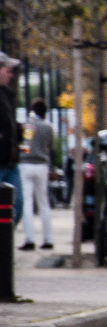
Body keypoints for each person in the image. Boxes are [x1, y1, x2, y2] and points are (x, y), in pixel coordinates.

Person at [19, 98, 54, 250]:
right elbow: (50, 146)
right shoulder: (48, 127)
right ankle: (48, 239)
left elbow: (26, 145)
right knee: (43, 202)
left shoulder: (29, 125)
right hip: (42, 165)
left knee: (27, 202)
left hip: (26, 164)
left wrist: (22, 151)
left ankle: (30, 239)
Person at [0, 52, 23, 226]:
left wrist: (19, 131)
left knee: (18, 204)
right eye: (8, 70)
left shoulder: (8, 95)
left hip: (10, 161)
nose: (11, 75)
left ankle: (5, 242)